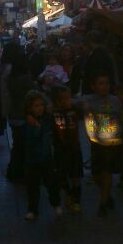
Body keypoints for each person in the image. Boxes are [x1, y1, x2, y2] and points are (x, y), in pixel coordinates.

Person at [82, 74, 123, 217]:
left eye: (106, 83)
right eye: (100, 83)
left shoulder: (115, 101)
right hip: (97, 143)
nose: (104, 86)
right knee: (96, 175)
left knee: (107, 171)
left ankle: (103, 203)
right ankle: (106, 194)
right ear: (93, 86)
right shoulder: (89, 101)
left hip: (112, 143)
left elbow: (122, 120)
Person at [23, 91, 61, 220]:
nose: (39, 108)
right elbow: (30, 140)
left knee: (51, 183)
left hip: (46, 157)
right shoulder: (28, 123)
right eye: (36, 106)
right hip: (33, 159)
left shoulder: (46, 119)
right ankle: (32, 209)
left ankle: (56, 204)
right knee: (33, 186)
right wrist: (35, 127)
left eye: (41, 105)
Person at [51, 85, 83, 213]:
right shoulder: (53, 113)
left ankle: (76, 200)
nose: (66, 101)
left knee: (76, 176)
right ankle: (69, 194)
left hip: (74, 148)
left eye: (68, 98)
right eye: (62, 99)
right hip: (60, 149)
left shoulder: (74, 110)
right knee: (61, 175)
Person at [5, 52, 36, 183]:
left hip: (13, 114)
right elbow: (32, 94)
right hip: (24, 114)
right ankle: (21, 172)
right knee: (24, 145)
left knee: (17, 144)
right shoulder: (26, 78)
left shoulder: (10, 77)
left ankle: (14, 171)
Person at [81, 30, 118, 95]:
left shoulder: (96, 56)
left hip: (96, 93)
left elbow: (94, 75)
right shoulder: (106, 54)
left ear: (90, 40)